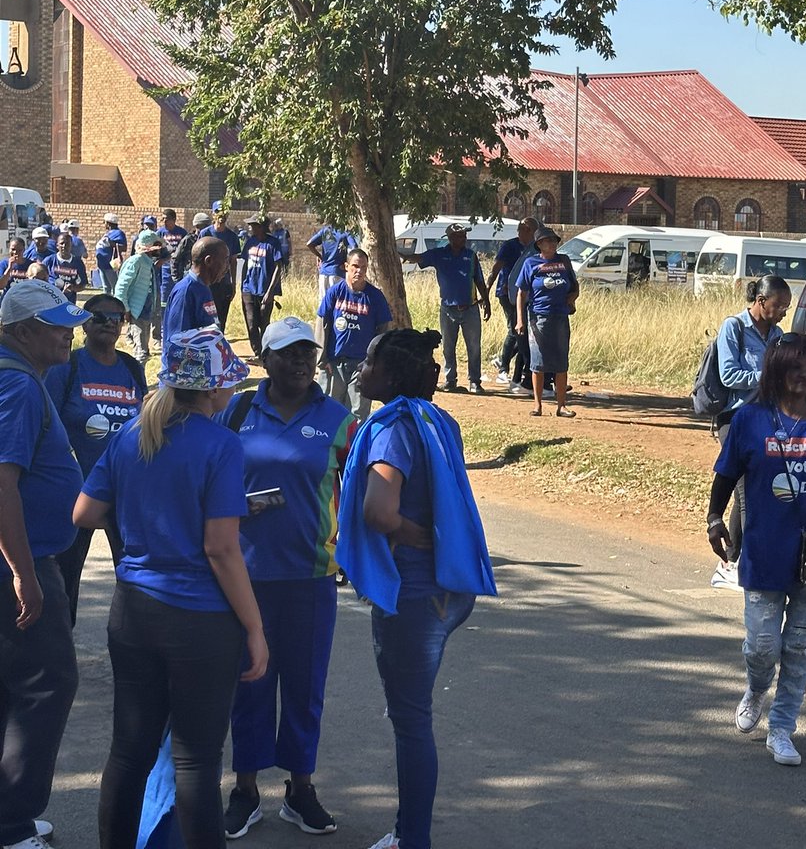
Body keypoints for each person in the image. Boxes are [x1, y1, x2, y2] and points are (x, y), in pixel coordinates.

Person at [73, 327, 268, 849]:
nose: (230, 392)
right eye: (227, 384)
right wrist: (255, 628)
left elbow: (85, 513)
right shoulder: (221, 444)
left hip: (133, 609)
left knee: (128, 753)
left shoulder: (133, 433)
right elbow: (221, 549)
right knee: (197, 760)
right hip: (201, 620)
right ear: (211, 391)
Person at [337, 329, 496, 849]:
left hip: (414, 592)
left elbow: (379, 512)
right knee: (413, 711)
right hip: (451, 589)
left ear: (392, 374)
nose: (361, 368)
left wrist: (418, 537)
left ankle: (413, 839)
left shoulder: (390, 430)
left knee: (410, 721)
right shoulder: (439, 420)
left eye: (370, 362)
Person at [219, 317, 356, 839]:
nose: (300, 362)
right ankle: (245, 789)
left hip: (309, 576)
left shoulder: (338, 420)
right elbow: (211, 473)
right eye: (288, 353)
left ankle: (300, 789)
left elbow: (362, 488)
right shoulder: (236, 410)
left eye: (308, 354)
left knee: (304, 686)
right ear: (265, 358)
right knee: (250, 683)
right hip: (243, 574)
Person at [707, 334, 806, 767]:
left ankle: (783, 728)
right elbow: (725, 475)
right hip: (764, 549)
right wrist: (715, 519)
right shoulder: (750, 419)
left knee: (800, 646)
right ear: (776, 371)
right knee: (762, 646)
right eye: (795, 368)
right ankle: (756, 687)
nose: (804, 376)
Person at [0, 279, 91, 849]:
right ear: (24, 330)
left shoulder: (20, 379)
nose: (69, 331)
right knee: (46, 684)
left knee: (13, 688)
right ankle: (12, 824)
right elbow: (2, 483)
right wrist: (26, 576)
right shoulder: (19, 387)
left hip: (22, 559)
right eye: (58, 323)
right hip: (23, 562)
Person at [45, 294, 147, 624]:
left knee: (134, 579)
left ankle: (134, 643)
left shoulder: (131, 368)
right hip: (77, 493)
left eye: (117, 318)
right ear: (85, 324)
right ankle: (60, 644)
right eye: (101, 317)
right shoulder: (68, 366)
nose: (109, 324)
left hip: (125, 493)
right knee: (64, 578)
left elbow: (145, 425)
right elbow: (47, 425)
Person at [710, 275, 792, 590]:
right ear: (760, 301)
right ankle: (743, 565)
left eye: (786, 306)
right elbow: (729, 374)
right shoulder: (734, 328)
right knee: (748, 494)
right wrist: (769, 375)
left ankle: (730, 561)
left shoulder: (778, 335)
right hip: (735, 420)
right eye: (778, 305)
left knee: (746, 493)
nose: (783, 311)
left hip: (767, 420)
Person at [400, 224, 491, 394]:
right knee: (448, 347)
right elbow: (418, 258)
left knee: (474, 347)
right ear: (450, 238)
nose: (463, 239)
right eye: (459, 236)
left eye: (464, 235)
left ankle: (475, 381)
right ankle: (450, 380)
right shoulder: (439, 254)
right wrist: (400, 254)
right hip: (448, 309)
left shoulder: (470, 256)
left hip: (470, 308)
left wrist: (486, 301)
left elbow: (478, 280)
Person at [317, 248, 392, 420]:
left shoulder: (375, 296)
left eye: (363, 268)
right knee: (327, 412)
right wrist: (322, 360)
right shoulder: (335, 292)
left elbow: (383, 332)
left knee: (357, 415)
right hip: (334, 364)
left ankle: (353, 447)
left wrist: (374, 364)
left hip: (361, 366)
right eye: (355, 266)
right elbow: (322, 325)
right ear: (346, 266)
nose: (359, 271)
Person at [515, 227, 578, 418]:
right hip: (538, 316)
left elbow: (574, 287)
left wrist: (572, 299)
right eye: (547, 241)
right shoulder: (530, 263)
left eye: (554, 241)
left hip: (560, 316)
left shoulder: (564, 261)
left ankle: (561, 406)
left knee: (561, 361)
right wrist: (520, 320)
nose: (552, 244)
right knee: (538, 362)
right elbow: (521, 293)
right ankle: (538, 405)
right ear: (539, 244)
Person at [485, 217, 538, 391]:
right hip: (507, 293)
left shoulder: (535, 247)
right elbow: (496, 268)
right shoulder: (510, 246)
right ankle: (503, 367)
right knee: (514, 329)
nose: (521, 232)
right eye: (521, 229)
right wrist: (487, 291)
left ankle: (518, 371)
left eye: (526, 229)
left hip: (527, 295)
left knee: (524, 334)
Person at [163, 237, 230, 343]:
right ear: (209, 261)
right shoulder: (185, 292)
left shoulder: (204, 287)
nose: (228, 267)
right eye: (225, 260)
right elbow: (177, 343)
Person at [115, 229, 164, 365]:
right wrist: (126, 309)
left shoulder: (148, 263)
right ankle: (137, 383)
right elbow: (121, 288)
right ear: (149, 247)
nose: (159, 250)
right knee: (141, 353)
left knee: (143, 350)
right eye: (157, 246)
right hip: (138, 312)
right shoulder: (135, 261)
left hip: (146, 311)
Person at [240, 216, 282, 361]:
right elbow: (245, 264)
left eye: (253, 225)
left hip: (265, 290)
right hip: (248, 288)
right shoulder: (250, 242)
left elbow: (278, 267)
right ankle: (257, 352)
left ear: (261, 227)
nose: (250, 227)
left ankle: (265, 353)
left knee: (264, 323)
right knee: (251, 322)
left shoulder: (273, 243)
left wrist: (271, 292)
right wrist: (242, 286)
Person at [200, 204, 242, 330]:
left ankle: (218, 344)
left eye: (224, 212)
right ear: (213, 214)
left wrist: (233, 284)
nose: (221, 215)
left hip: (223, 282)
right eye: (218, 211)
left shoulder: (232, 236)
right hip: (207, 282)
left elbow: (233, 262)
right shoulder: (205, 233)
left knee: (221, 319)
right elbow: (198, 258)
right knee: (206, 317)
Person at [306, 224, 358, 299]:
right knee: (337, 302)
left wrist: (320, 256)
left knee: (323, 302)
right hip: (337, 272)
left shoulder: (325, 231)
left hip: (323, 273)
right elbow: (354, 247)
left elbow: (309, 244)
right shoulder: (345, 232)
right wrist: (348, 263)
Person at [46, 230, 89, 304]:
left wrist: (73, 288)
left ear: (71, 245)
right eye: (61, 243)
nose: (64, 246)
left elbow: (83, 284)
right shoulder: (49, 261)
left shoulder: (78, 262)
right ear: (57, 245)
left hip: (69, 303)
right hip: (50, 302)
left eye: (67, 244)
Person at [159, 209, 189, 308]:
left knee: (179, 293)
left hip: (179, 269)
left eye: (167, 219)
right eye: (163, 219)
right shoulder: (160, 233)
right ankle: (164, 320)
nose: (164, 222)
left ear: (174, 220)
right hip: (165, 270)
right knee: (165, 296)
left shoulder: (182, 232)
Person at [171, 212, 211, 284]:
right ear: (197, 226)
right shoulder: (188, 240)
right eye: (204, 226)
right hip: (189, 275)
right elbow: (175, 259)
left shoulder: (209, 240)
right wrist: (176, 280)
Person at [96, 214, 129, 294]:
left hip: (110, 266)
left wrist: (111, 243)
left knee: (115, 287)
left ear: (108, 223)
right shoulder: (108, 233)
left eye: (105, 222)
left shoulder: (118, 233)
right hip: (102, 265)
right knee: (106, 288)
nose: (104, 224)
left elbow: (124, 248)